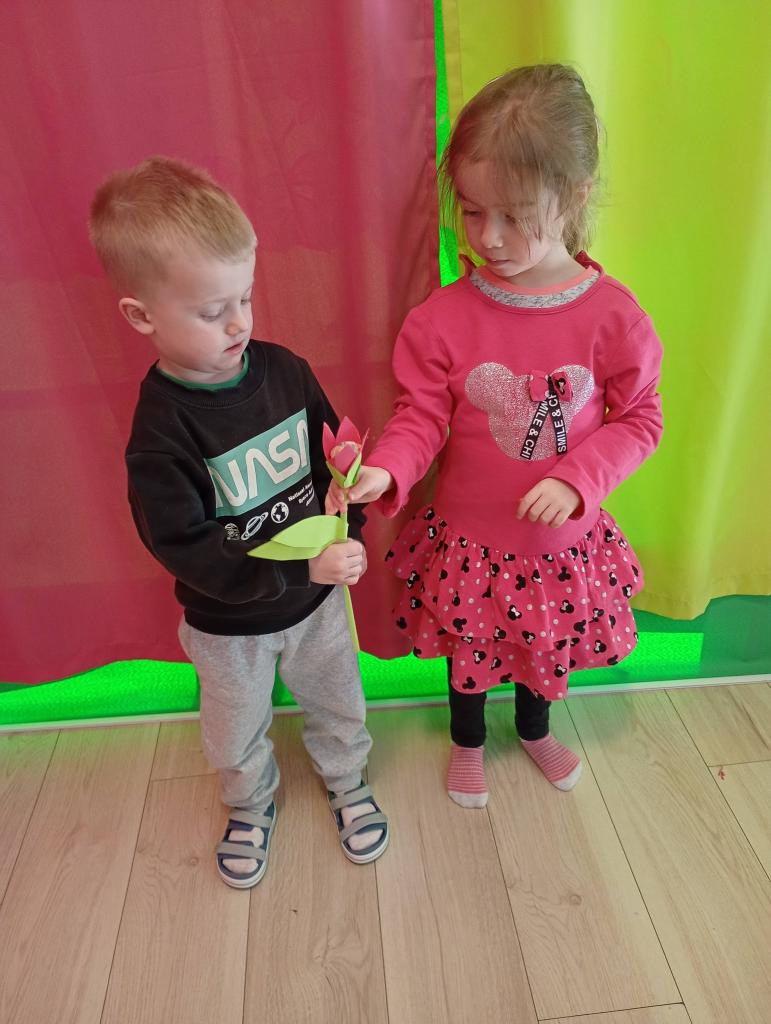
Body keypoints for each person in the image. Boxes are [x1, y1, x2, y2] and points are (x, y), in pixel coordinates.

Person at [328, 65, 663, 807]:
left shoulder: (613, 317)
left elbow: (641, 418)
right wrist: (387, 470)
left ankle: (536, 731)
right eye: (473, 212)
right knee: (469, 658)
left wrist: (577, 478)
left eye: (514, 216)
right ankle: (468, 742)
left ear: (574, 197)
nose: (488, 237)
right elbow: (421, 417)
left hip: (559, 547)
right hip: (470, 546)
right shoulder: (443, 318)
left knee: (543, 651)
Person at [89, 156, 388, 886]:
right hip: (227, 627)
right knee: (232, 731)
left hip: (317, 604)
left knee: (339, 700)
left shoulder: (285, 371)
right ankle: (250, 804)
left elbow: (333, 467)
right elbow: (184, 547)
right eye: (211, 310)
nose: (239, 322)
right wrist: (298, 566)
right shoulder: (161, 432)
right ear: (142, 316)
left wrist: (351, 526)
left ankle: (346, 780)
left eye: (245, 297)